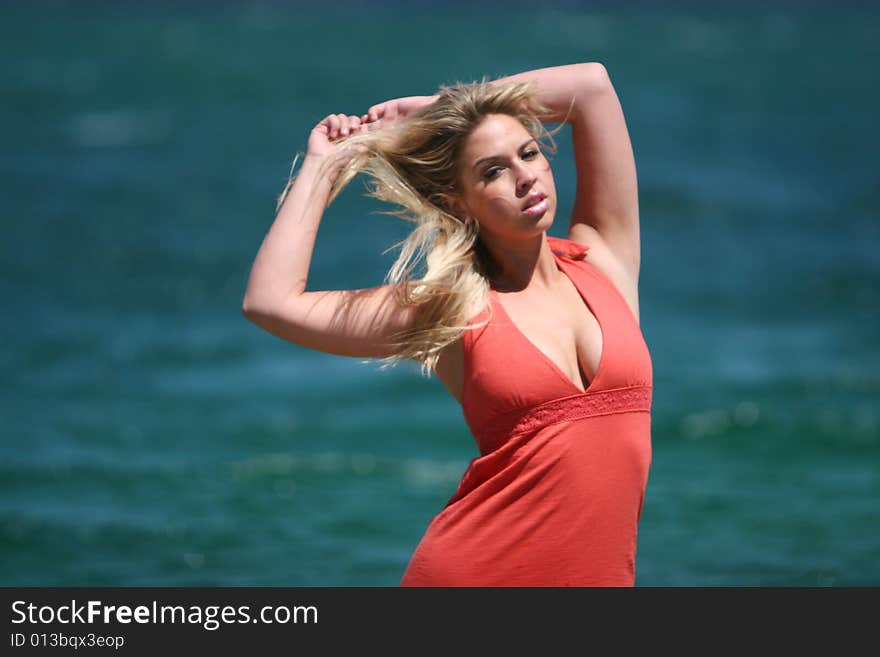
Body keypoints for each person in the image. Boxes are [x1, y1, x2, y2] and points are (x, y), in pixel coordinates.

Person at [242, 62, 653, 586]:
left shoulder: (603, 263)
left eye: (529, 153)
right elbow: (270, 301)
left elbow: (591, 86)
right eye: (493, 170)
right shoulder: (451, 308)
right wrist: (324, 166)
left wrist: (440, 108)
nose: (525, 175)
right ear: (456, 203)